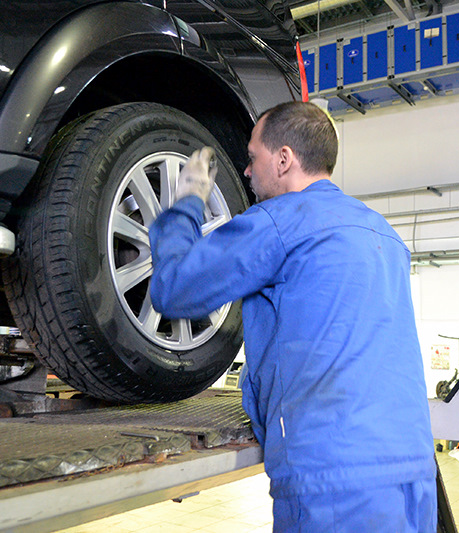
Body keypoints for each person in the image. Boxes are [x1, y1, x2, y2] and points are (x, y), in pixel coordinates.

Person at [149, 101, 436, 532]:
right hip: (412, 470)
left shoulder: (279, 222)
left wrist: (187, 204)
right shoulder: (383, 232)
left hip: (335, 481)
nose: (246, 172)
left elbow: (174, 289)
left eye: (252, 158)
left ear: (284, 159)